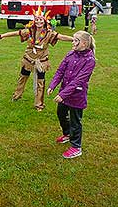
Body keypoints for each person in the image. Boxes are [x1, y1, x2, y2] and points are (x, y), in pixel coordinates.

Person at [0, 7, 73, 111]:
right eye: (37, 19)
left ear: (44, 21)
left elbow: (61, 37)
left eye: (41, 19)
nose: (39, 21)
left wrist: (74, 39)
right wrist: (1, 36)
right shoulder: (29, 31)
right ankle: (17, 95)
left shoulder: (49, 33)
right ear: (34, 21)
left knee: (41, 82)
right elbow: (15, 33)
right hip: (28, 59)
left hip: (42, 61)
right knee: (22, 77)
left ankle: (38, 104)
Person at [47, 31, 96, 159]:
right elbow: (60, 71)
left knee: (75, 121)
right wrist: (53, 85)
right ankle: (67, 134)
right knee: (61, 114)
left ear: (84, 43)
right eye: (73, 40)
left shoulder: (90, 60)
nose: (72, 43)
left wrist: (63, 94)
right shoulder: (70, 54)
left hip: (77, 96)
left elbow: (79, 80)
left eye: (75, 40)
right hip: (65, 93)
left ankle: (76, 147)